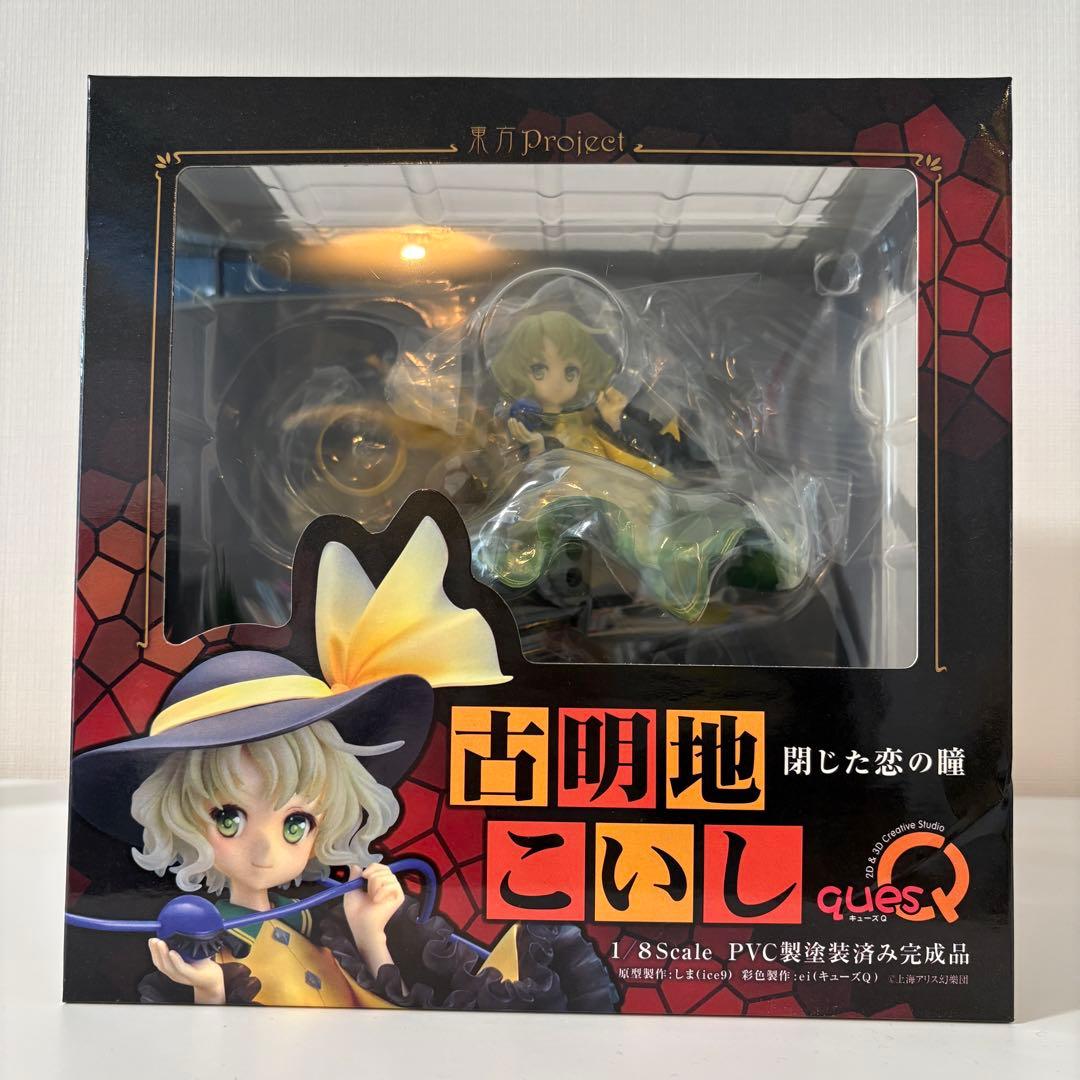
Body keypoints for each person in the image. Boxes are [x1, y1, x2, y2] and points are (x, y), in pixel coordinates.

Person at [70, 519, 617, 1011]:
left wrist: (370, 933)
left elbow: (379, 1006)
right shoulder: (208, 934)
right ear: (180, 821)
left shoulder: (320, 915)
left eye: (295, 823)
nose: (264, 852)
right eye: (229, 819)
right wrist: (209, 990)